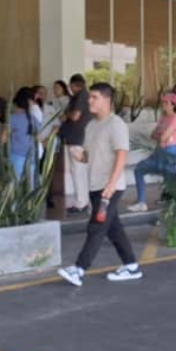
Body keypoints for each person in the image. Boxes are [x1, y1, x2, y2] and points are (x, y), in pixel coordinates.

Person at [59, 83, 141, 286]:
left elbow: (122, 155)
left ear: (107, 100)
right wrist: (80, 156)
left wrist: (112, 184)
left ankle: (79, 269)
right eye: (90, 97)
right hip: (95, 185)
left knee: (96, 226)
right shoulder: (92, 125)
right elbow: (90, 155)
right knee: (114, 228)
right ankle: (131, 266)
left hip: (109, 187)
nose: (89, 101)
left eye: (94, 97)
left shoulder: (116, 124)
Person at [128, 93, 176, 212]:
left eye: (166, 103)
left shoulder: (175, 119)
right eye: (163, 102)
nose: (163, 105)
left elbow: (162, 137)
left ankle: (172, 208)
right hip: (159, 152)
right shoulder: (164, 118)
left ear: (173, 105)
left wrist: (163, 137)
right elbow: (155, 135)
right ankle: (141, 202)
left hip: (170, 153)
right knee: (139, 169)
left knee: (170, 179)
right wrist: (162, 138)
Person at [62, 74, 92, 214]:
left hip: (77, 138)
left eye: (71, 87)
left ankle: (81, 203)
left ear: (74, 85)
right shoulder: (85, 95)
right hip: (80, 137)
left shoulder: (81, 96)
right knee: (79, 171)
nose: (71, 89)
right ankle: (83, 201)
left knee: (78, 171)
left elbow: (75, 116)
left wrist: (67, 113)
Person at [8, 87, 41, 181]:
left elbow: (3, 138)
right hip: (32, 155)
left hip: (17, 155)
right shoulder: (33, 118)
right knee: (30, 185)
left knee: (15, 184)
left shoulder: (13, 118)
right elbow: (38, 137)